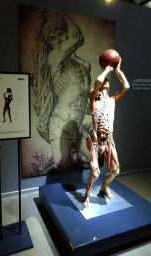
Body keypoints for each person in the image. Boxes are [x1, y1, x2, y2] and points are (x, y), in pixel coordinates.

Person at [31, 10, 92, 173]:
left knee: (94, 156)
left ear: (65, 33)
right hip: (59, 124)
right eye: (51, 38)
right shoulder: (54, 59)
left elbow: (81, 98)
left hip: (77, 126)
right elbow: (78, 37)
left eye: (59, 35)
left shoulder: (84, 65)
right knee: (62, 167)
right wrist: (60, 13)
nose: (57, 41)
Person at [83, 59, 130, 207]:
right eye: (104, 83)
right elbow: (97, 82)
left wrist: (118, 70)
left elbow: (126, 86)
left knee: (115, 170)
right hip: (97, 142)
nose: (105, 84)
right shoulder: (93, 100)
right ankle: (87, 195)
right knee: (95, 173)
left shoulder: (112, 101)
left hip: (109, 140)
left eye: (107, 84)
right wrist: (106, 71)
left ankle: (104, 188)